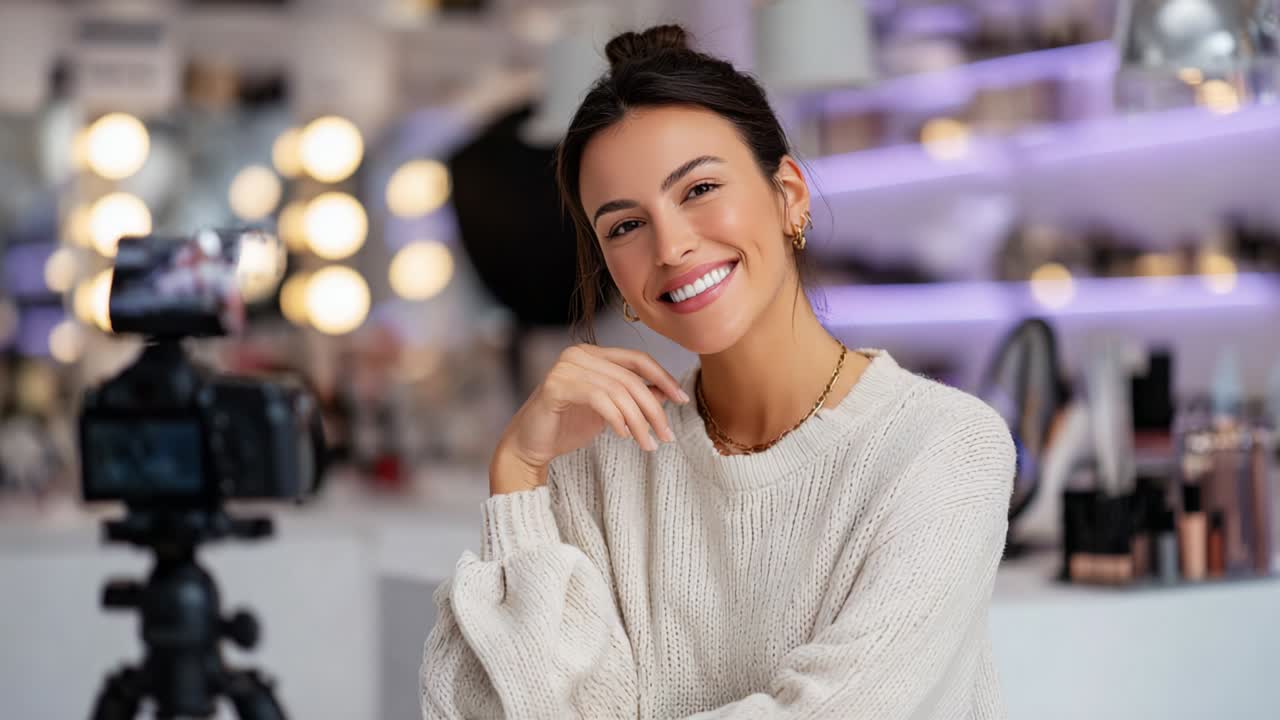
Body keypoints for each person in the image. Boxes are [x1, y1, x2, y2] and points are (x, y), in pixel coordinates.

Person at [421, 24, 1014, 719]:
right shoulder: (597, 465)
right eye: (623, 226)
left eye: (699, 188)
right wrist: (518, 472)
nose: (670, 245)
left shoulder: (945, 445)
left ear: (789, 195)